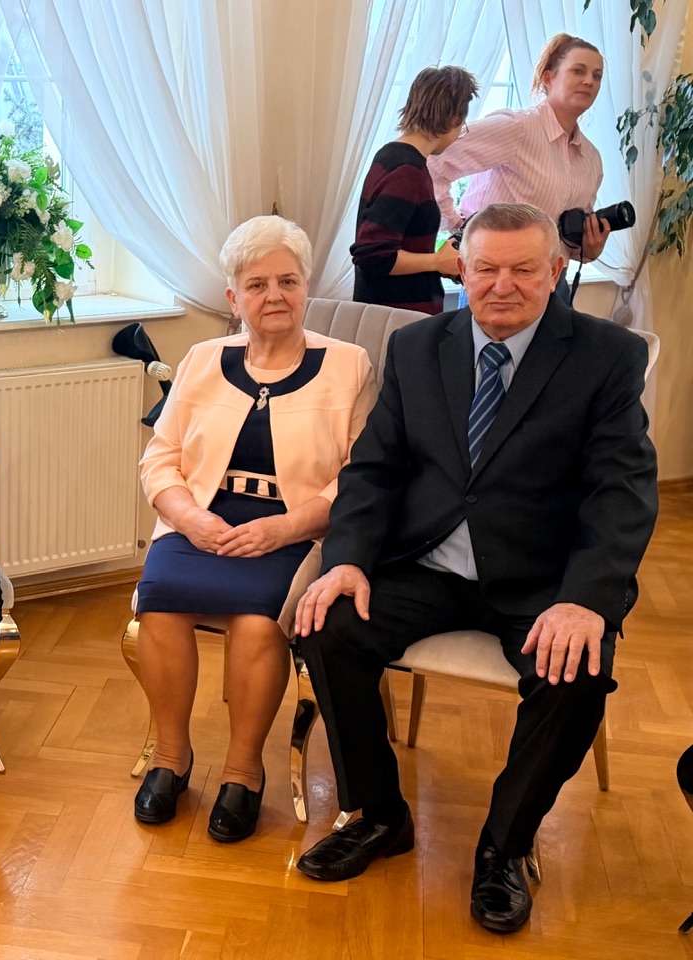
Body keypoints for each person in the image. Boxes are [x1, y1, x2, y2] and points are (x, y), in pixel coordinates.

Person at [292, 203, 658, 933]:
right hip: (426, 565)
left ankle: (504, 845)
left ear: (555, 270)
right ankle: (380, 814)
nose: (502, 285)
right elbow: (374, 469)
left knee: (577, 675)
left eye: (524, 269)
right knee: (327, 627)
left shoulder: (606, 357)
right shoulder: (417, 346)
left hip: (541, 582)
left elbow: (621, 491)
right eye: (486, 268)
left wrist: (586, 599)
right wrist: (348, 560)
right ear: (462, 268)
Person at [132, 215, 376, 843]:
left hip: (296, 528)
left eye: (288, 281)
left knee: (258, 620)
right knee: (159, 604)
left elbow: (359, 477)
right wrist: (190, 518)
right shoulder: (202, 360)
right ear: (233, 297)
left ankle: (244, 771)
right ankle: (170, 757)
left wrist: (285, 528)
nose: (274, 296)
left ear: (307, 286)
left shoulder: (348, 365)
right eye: (257, 284)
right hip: (202, 521)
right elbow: (161, 458)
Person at [429, 34, 611, 302]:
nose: (589, 81)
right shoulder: (516, 129)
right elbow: (435, 160)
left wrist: (589, 248)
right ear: (548, 78)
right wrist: (460, 226)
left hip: (554, 287)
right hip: (496, 283)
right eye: (578, 71)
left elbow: (568, 240)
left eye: (597, 76)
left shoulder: (591, 159)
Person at [352, 65, 478, 314]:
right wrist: (436, 261)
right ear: (454, 119)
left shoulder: (389, 155)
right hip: (397, 317)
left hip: (387, 313)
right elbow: (372, 255)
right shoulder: (408, 172)